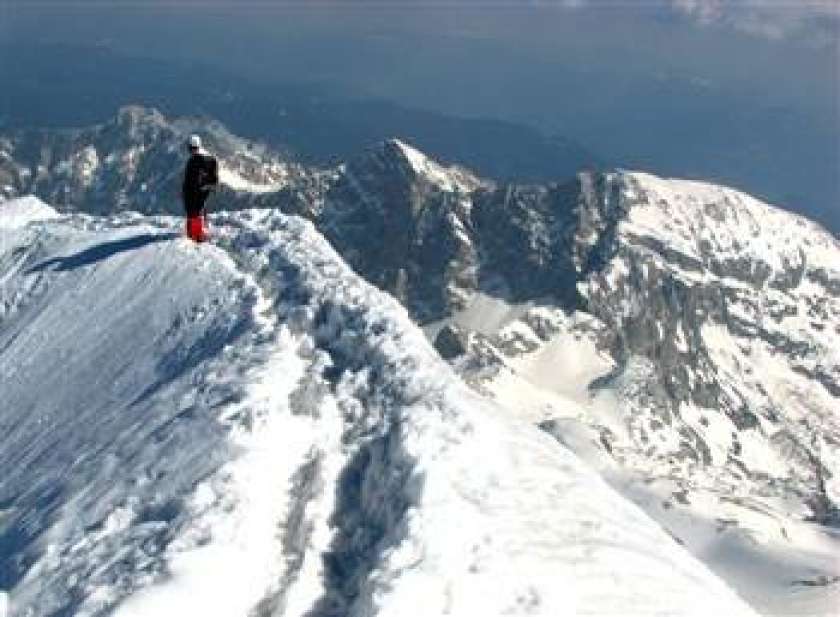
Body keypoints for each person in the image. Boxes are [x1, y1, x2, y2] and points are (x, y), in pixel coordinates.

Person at [182, 134, 218, 242]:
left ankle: (196, 235)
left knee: (194, 211)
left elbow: (191, 179)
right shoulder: (210, 158)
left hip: (194, 190)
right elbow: (214, 177)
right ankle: (199, 232)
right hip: (205, 189)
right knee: (200, 210)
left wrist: (186, 191)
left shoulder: (194, 160)